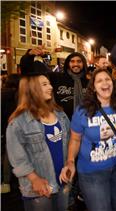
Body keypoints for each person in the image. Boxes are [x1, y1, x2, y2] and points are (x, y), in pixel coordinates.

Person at [60, 69, 116, 211]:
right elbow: (75, 140)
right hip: (92, 172)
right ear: (93, 87)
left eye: (108, 79)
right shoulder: (82, 111)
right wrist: (70, 162)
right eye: (100, 80)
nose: (105, 83)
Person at [6, 73, 70, 211]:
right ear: (31, 89)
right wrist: (34, 178)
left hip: (62, 181)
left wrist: (69, 163)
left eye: (49, 83)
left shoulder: (60, 115)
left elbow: (70, 142)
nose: (51, 87)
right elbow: (17, 157)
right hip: (39, 187)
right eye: (45, 84)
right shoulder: (18, 123)